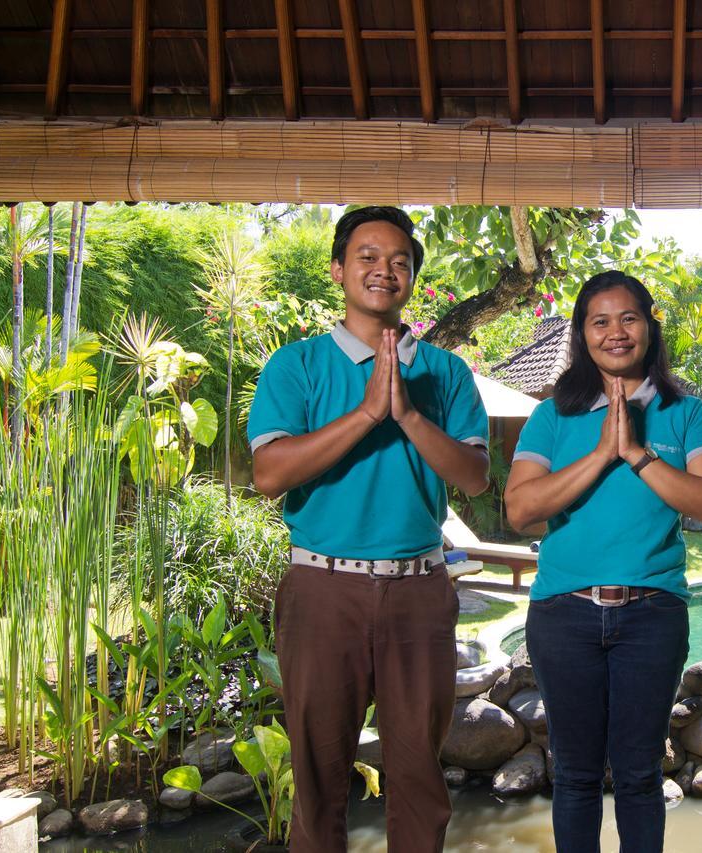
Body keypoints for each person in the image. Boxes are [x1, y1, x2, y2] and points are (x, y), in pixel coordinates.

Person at [246, 206, 489, 853]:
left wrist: (405, 412)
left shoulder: (447, 373)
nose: (385, 270)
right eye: (368, 257)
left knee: (417, 780)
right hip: (322, 588)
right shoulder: (295, 366)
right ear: (338, 270)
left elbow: (474, 475)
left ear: (412, 277)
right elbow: (269, 472)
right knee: (320, 782)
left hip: (419, 590)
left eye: (400, 260)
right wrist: (365, 413)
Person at [504, 270, 702, 853]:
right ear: (582, 333)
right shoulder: (553, 415)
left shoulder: (685, 413)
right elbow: (521, 510)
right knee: (575, 775)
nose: (615, 332)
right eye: (599, 321)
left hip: (651, 615)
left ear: (650, 326)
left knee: (638, 775)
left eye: (628, 318)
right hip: (564, 615)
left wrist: (636, 453)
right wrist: (602, 452)